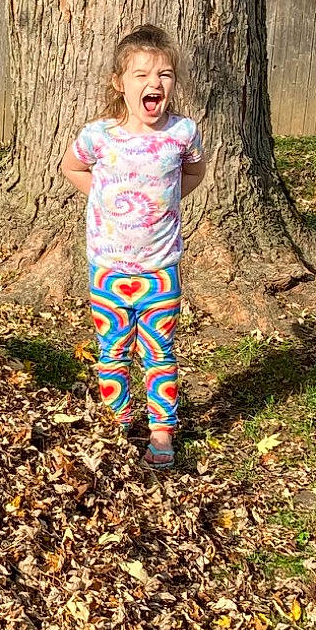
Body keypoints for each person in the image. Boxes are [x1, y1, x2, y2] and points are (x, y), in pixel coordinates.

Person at [59, 26, 207, 466]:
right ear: (118, 83)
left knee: (159, 352)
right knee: (113, 351)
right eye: (141, 75)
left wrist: (165, 199)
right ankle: (118, 422)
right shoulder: (98, 136)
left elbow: (196, 174)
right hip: (108, 268)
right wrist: (107, 200)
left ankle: (161, 434)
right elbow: (71, 167)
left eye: (164, 74)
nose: (154, 84)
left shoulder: (182, 132)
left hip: (161, 269)